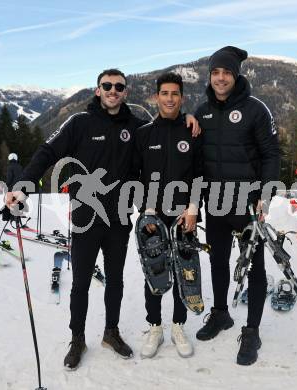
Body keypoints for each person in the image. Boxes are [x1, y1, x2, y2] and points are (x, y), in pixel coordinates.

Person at [5, 68, 200, 370]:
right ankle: (78, 338)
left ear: (125, 92)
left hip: (118, 218)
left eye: (118, 87)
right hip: (85, 218)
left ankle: (111, 332)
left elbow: (164, 131)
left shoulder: (136, 127)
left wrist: (189, 119)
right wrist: (24, 187)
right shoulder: (79, 123)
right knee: (81, 281)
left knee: (116, 281)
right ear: (97, 90)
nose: (112, 90)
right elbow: (47, 152)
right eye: (106, 86)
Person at [194, 46, 280, 365]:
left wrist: (265, 196)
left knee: (254, 267)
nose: (220, 78)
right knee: (218, 261)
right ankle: (220, 314)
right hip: (215, 202)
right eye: (215, 72)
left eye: (226, 72)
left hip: (247, 204)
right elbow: (196, 158)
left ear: (236, 75)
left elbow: (272, 154)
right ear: (210, 76)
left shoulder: (256, 110)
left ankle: (252, 330)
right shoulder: (201, 111)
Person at [132, 72, 203, 359]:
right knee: (155, 270)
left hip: (184, 215)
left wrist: (194, 209)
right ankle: (154, 327)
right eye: (165, 93)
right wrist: (146, 212)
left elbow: (199, 174)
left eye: (175, 93)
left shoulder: (193, 131)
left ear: (182, 97)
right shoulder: (144, 134)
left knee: (183, 271)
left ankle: (177, 325)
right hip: (153, 217)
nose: (170, 98)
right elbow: (134, 178)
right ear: (156, 97)